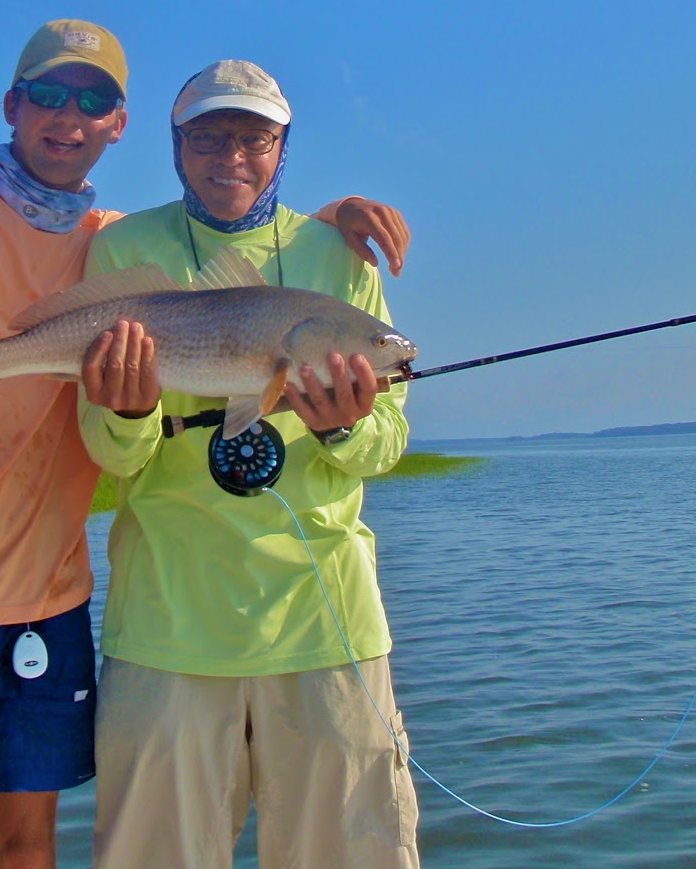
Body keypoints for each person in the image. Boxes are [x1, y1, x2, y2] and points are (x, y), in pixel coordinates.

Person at [0, 23, 410, 869]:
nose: (70, 115)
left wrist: (332, 239)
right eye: (50, 94)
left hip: (61, 605)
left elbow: (363, 417)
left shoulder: (243, 249)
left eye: (94, 99)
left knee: (27, 846)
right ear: (15, 105)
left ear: (120, 125)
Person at [78, 60, 422, 869]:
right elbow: (109, 452)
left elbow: (386, 444)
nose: (230, 154)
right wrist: (130, 411)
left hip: (325, 628)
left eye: (254, 137)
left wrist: (344, 432)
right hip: (167, 630)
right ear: (174, 144)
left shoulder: (342, 256)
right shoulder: (124, 248)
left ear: (283, 148)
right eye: (207, 135)